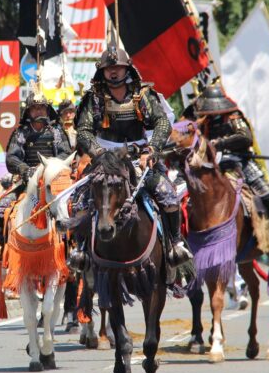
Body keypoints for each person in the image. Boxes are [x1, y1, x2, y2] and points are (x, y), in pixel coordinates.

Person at [73, 46, 191, 265]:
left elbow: (162, 122)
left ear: (127, 68)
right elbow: (83, 130)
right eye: (109, 68)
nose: (113, 72)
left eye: (118, 67)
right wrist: (99, 154)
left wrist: (152, 149)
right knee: (79, 199)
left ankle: (175, 244)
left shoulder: (142, 94)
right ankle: (80, 250)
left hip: (140, 158)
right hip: (104, 159)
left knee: (168, 195)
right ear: (102, 72)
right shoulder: (94, 98)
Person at [188, 83, 269, 237]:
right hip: (216, 163)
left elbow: (245, 137)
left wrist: (220, 143)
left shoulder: (234, 117)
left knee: (264, 190)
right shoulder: (204, 123)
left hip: (240, 160)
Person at [5, 89, 72, 185]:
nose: (39, 111)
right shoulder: (20, 132)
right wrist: (25, 169)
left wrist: (48, 166)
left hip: (54, 178)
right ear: (28, 111)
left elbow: (66, 153)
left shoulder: (56, 131)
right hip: (28, 180)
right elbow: (11, 158)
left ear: (47, 110)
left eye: (42, 107)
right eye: (35, 108)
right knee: (6, 200)